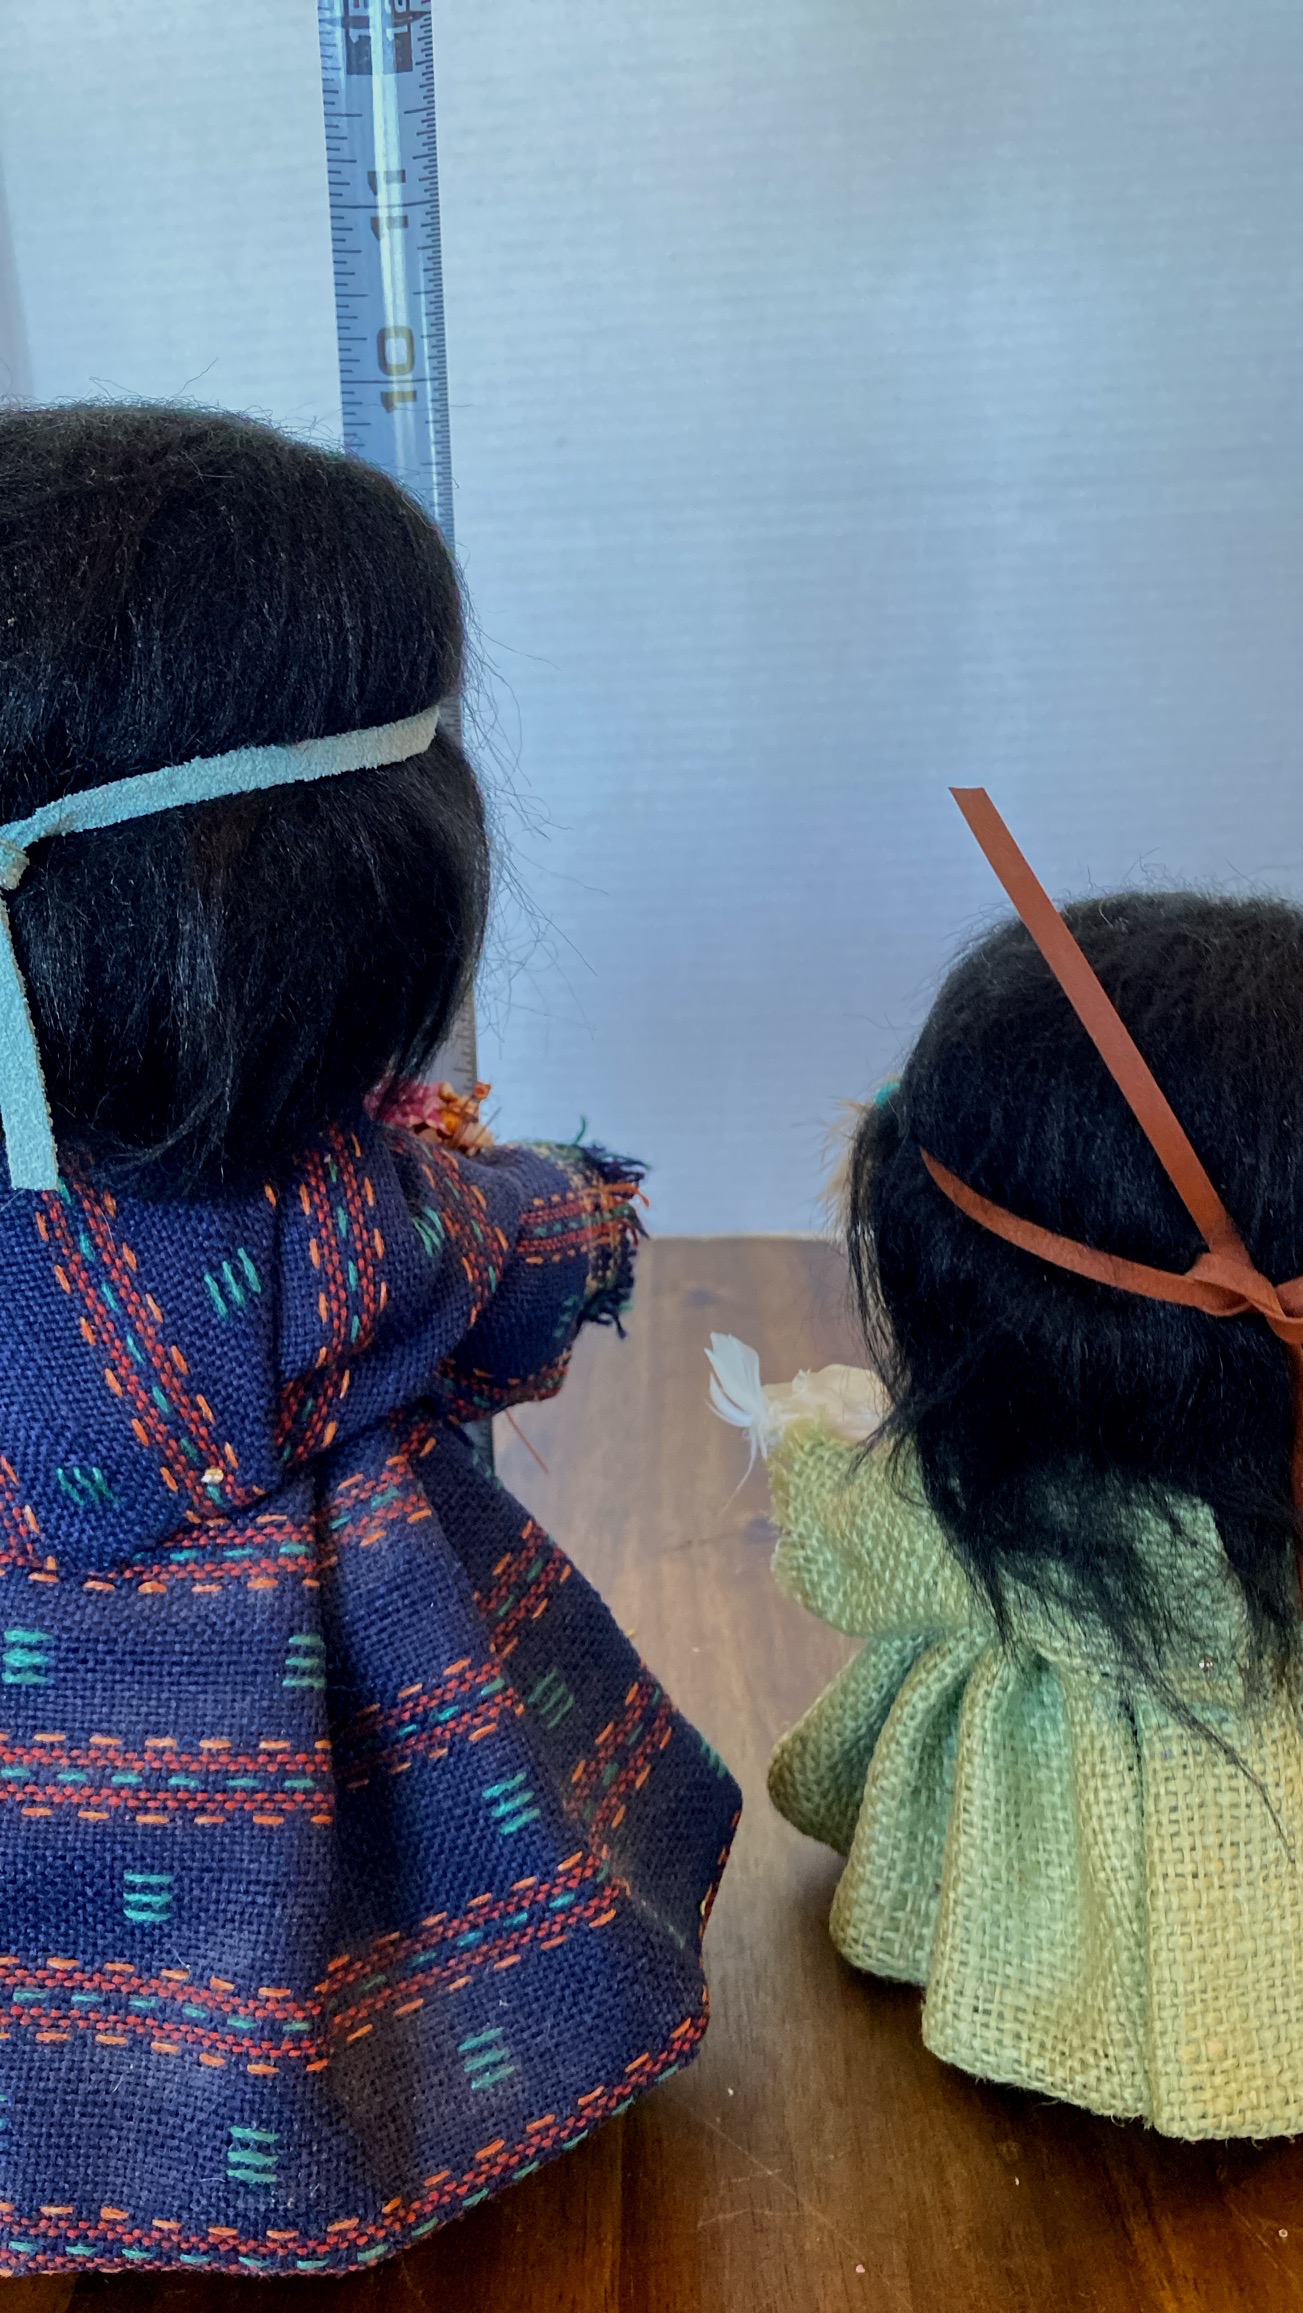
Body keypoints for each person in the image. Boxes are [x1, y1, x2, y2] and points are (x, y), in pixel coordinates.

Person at [0, 404, 739, 2276]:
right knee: (419, 1902)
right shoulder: (333, 1231)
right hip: (304, 1760)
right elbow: (520, 1251)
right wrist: (594, 1207)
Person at [713, 791, 1303, 2140]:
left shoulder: (983, 1513)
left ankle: (1039, 2003)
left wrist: (804, 1438)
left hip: (1043, 1867)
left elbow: (843, 1555)